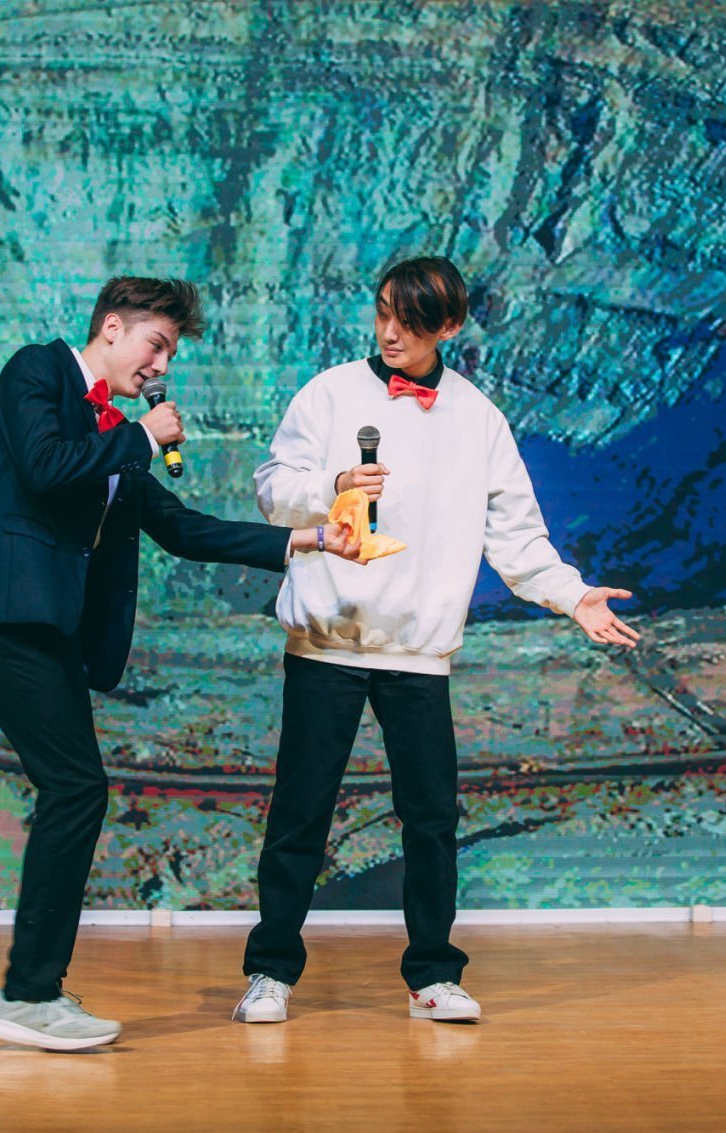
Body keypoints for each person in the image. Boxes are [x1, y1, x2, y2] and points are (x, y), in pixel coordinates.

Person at [0, 277, 361, 1051]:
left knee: (75, 789)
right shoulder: (38, 370)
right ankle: (28, 994)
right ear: (110, 327)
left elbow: (185, 529)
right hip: (1, 609)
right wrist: (139, 434)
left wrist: (311, 539)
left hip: (47, 625)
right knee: (77, 787)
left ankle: (36, 988)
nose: (161, 365)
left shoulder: (114, 438)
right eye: (155, 345)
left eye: (170, 353)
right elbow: (43, 464)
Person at [236, 256, 639, 1025]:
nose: (391, 332)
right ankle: (270, 971)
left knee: (430, 817)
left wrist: (572, 594)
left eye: (411, 320)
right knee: (300, 812)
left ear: (448, 326)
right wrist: (331, 487)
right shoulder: (328, 392)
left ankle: (432, 975)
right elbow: (272, 488)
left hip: (418, 654)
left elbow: (517, 536)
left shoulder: (477, 418)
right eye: (383, 312)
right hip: (326, 643)